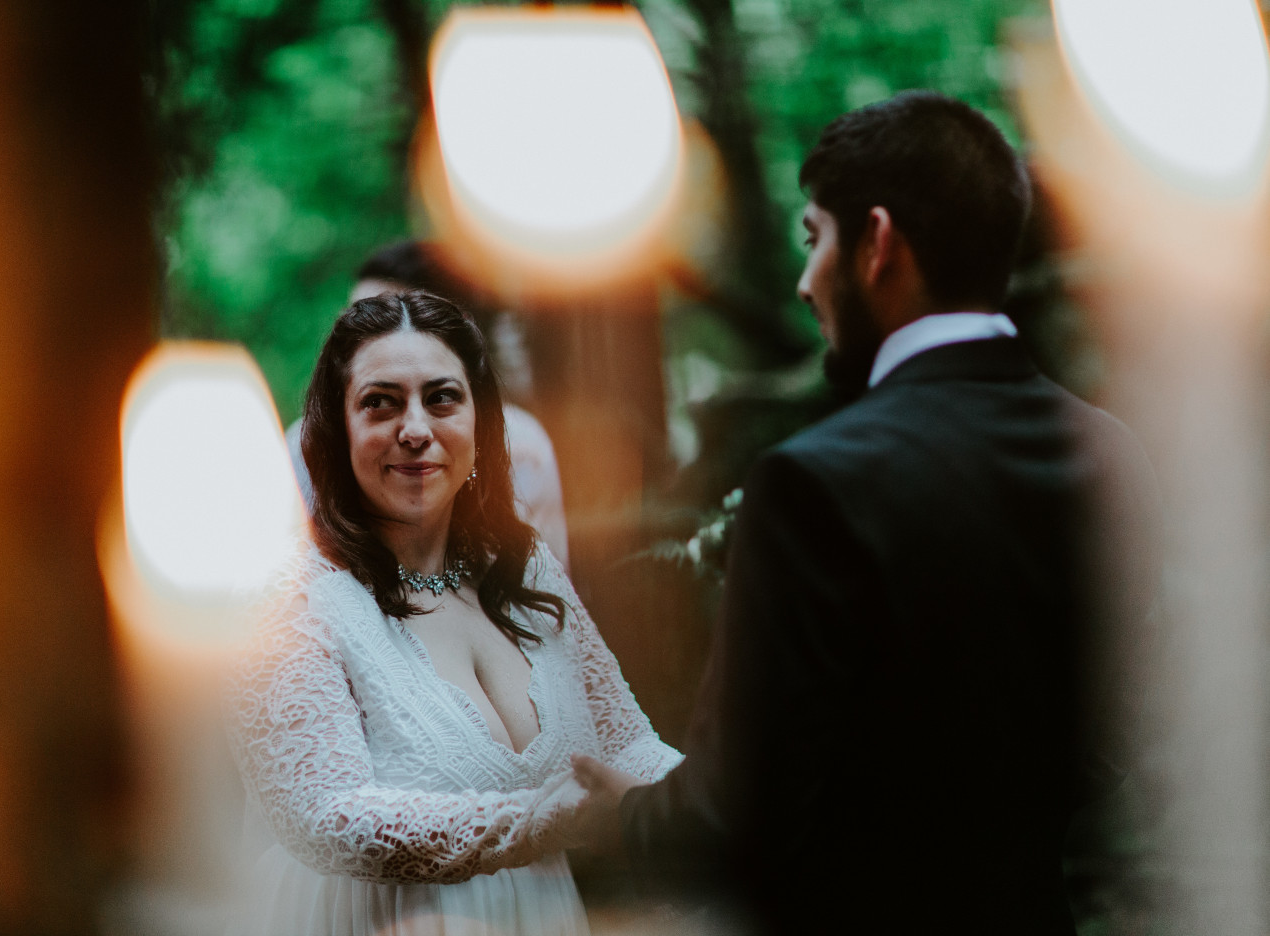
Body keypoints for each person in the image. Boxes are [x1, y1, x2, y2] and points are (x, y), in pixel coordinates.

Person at [572, 91, 1160, 934]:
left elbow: (733, 812)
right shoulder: (1111, 454)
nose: (807, 281)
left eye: (814, 238)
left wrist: (621, 816)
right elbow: (1111, 743)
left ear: (879, 243)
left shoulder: (814, 482)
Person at [226, 291, 680, 936]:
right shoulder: (289, 602)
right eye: (380, 403)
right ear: (338, 431)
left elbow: (627, 741)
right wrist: (547, 821)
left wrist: (709, 800)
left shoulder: (525, 570)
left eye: (441, 398)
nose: (415, 429)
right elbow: (329, 818)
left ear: (478, 422)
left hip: (540, 915)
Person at [286, 241, 570, 571]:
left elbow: (547, 569)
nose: (365, 329)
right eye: (356, 314)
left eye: (387, 313)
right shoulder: (304, 441)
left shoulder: (524, 444)